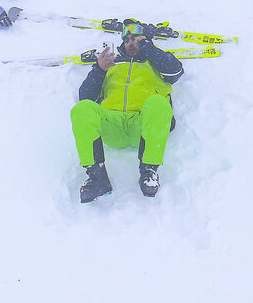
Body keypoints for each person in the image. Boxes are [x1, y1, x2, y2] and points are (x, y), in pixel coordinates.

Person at [69, 19, 184, 202]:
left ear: (145, 39)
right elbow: (86, 97)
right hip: (112, 125)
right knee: (82, 109)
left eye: (136, 38)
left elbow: (175, 71)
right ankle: (97, 177)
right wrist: (99, 70)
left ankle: (149, 172)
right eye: (128, 39)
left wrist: (149, 49)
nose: (131, 42)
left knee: (158, 103)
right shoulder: (111, 64)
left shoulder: (156, 60)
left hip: (143, 126)